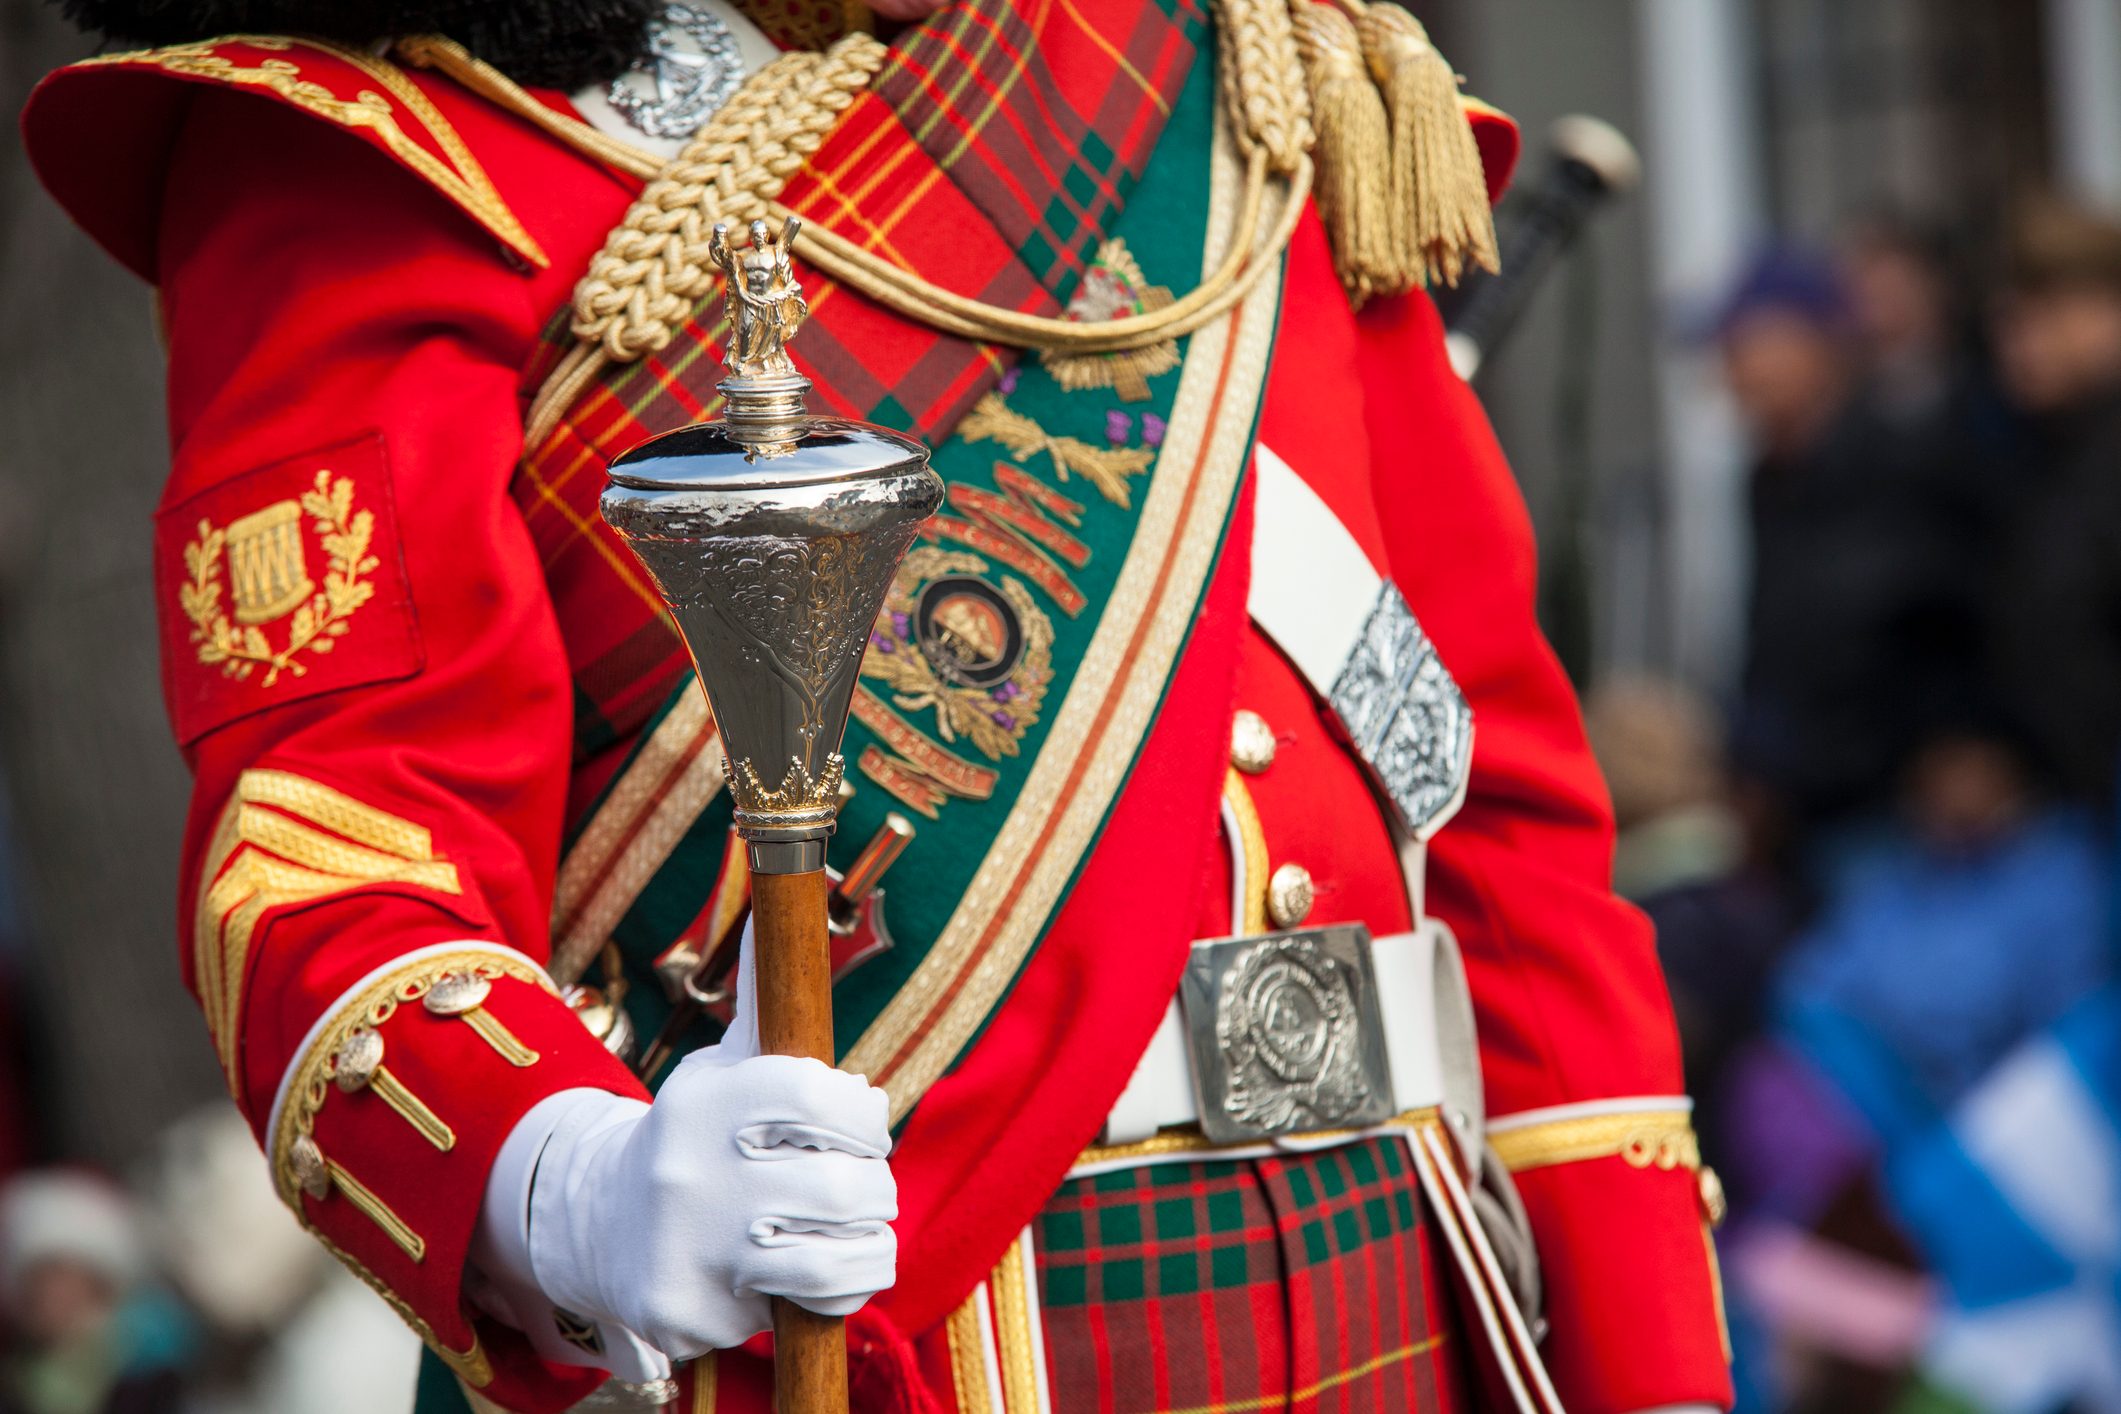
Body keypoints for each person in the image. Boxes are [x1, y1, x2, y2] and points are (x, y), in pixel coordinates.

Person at [22, 1, 1732, 1411]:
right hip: (902, 1324)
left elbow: (1497, 822)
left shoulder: (1243, 79)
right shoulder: (386, 155)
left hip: (1399, 1284)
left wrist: (1647, 1362)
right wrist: (558, 1182)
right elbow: (335, 846)